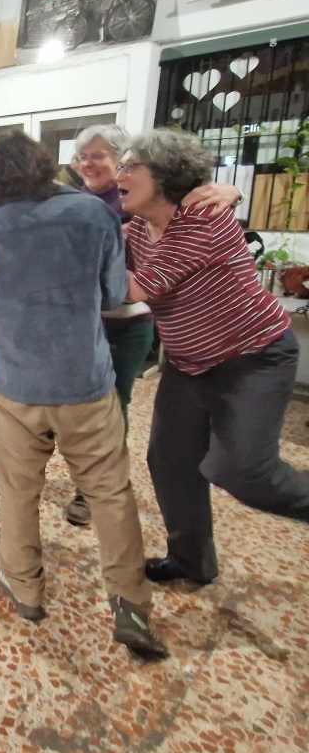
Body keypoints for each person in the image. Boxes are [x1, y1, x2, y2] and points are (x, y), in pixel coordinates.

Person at [0, 133, 167, 659]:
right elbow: (112, 294)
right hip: (84, 382)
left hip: (17, 385)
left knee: (18, 491)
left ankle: (26, 589)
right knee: (110, 494)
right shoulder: (95, 215)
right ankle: (130, 605)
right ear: (47, 164)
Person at [118, 129, 309, 587]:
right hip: (188, 365)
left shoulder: (203, 218)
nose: (119, 175)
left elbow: (138, 288)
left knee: (243, 472)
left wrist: (65, 270)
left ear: (164, 175)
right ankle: (190, 561)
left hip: (253, 358)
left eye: (129, 167)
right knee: (170, 462)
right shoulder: (138, 229)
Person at [62, 125, 241, 527]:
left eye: (100, 156)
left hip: (136, 328)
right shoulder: (80, 202)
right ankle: (94, 482)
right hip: (91, 329)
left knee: (113, 407)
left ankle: (97, 488)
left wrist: (231, 191)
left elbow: (135, 286)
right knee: (84, 410)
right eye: (82, 157)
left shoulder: (146, 205)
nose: (88, 164)